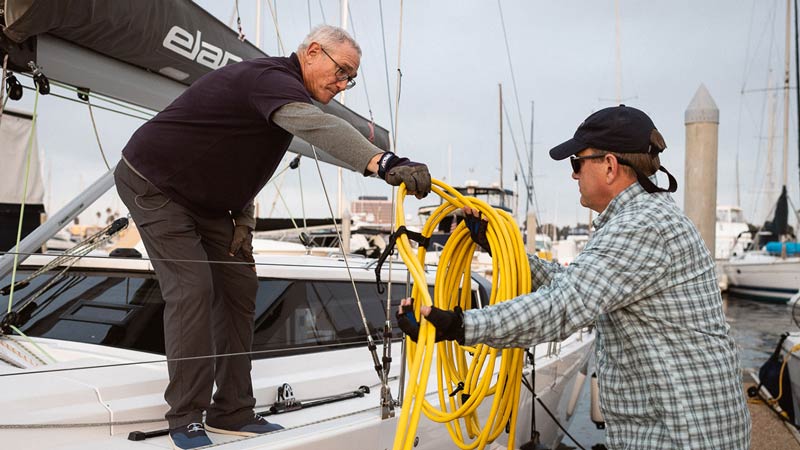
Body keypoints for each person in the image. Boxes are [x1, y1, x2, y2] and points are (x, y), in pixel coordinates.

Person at [115, 25, 431, 450]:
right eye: (340, 72)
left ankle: (231, 410)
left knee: (240, 286)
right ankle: (187, 417)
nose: (342, 85)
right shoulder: (272, 81)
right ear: (313, 52)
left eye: (349, 79)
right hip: (154, 183)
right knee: (192, 289)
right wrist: (382, 161)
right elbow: (318, 126)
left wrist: (242, 218)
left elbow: (235, 159)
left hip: (210, 204)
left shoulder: (279, 93)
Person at [398, 105, 750, 449]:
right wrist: (496, 245)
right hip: (676, 425)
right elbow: (571, 285)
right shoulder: (640, 218)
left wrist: (459, 325)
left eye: (577, 163)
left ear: (610, 166)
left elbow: (563, 306)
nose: (573, 174)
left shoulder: (641, 226)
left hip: (681, 433)